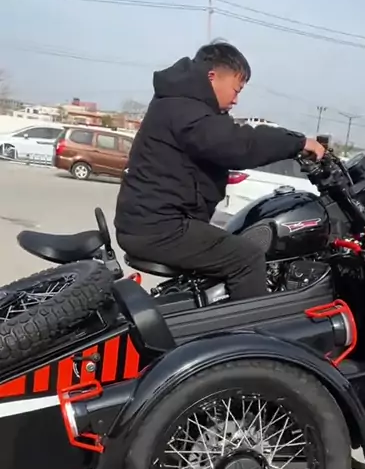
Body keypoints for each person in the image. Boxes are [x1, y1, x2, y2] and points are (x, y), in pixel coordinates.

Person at [114, 40, 326, 301]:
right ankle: (252, 326)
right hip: (158, 228)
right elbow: (237, 145)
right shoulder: (185, 109)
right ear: (212, 76)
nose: (236, 100)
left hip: (153, 222)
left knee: (232, 242)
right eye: (236, 90)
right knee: (247, 258)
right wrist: (298, 142)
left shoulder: (181, 103)